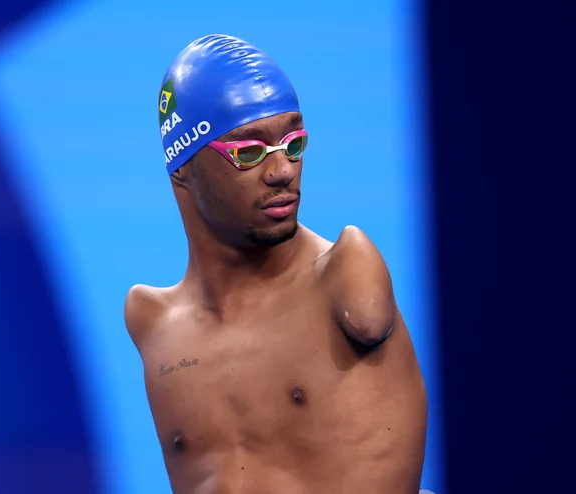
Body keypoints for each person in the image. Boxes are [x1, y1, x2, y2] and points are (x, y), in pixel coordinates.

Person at [124, 34, 429, 494]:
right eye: (249, 152)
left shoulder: (346, 274)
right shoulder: (151, 323)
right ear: (182, 166)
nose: (282, 170)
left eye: (294, 143)